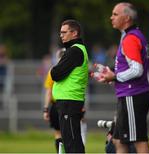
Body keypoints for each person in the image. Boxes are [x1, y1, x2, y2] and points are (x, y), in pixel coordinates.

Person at [93, 2, 149, 153]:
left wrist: (115, 76)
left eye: (115, 14)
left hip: (133, 95)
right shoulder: (130, 36)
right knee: (118, 141)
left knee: (139, 141)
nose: (111, 17)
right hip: (128, 95)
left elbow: (137, 69)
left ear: (126, 18)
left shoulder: (130, 38)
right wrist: (110, 73)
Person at [50, 19, 89, 153]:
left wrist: (53, 69)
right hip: (68, 101)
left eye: (64, 32)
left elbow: (55, 73)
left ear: (74, 33)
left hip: (69, 101)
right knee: (70, 141)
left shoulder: (74, 51)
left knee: (72, 143)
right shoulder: (74, 50)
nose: (61, 35)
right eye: (60, 32)